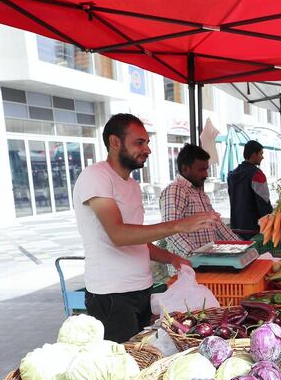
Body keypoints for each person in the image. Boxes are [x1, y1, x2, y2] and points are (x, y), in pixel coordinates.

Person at [73, 114, 218, 342]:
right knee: (124, 366)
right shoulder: (96, 176)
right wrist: (180, 225)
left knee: (145, 357)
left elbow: (138, 239)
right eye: (139, 142)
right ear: (115, 142)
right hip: (112, 295)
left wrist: (172, 258)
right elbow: (119, 234)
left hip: (141, 289)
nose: (147, 149)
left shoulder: (131, 185)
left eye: (147, 143)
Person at [160, 143, 239, 258]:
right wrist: (196, 255)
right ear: (185, 169)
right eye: (201, 170)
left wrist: (240, 246)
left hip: (207, 261)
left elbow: (217, 225)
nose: (205, 174)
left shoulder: (199, 192)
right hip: (189, 265)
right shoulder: (176, 190)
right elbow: (171, 231)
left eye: (206, 169)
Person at [228, 140, 273, 235]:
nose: (262, 157)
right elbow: (264, 201)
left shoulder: (232, 175)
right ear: (253, 155)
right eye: (261, 154)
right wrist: (271, 220)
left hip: (236, 226)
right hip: (254, 228)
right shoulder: (257, 174)